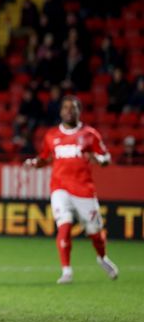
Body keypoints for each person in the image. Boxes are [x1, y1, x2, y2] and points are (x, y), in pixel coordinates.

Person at [24, 96, 119, 284]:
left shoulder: (90, 134)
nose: (69, 111)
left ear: (79, 111)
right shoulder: (51, 135)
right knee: (64, 226)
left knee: (95, 231)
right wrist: (34, 163)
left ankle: (102, 257)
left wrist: (100, 160)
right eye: (66, 108)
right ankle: (66, 271)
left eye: (73, 108)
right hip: (59, 188)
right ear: (60, 111)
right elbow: (45, 157)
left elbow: (106, 157)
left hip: (84, 190)